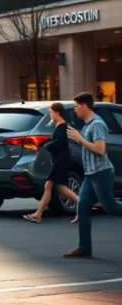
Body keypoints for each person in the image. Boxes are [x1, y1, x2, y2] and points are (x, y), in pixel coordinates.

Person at [64, 92, 122, 258]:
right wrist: (78, 137)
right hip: (90, 174)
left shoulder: (96, 124)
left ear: (84, 106)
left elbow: (100, 149)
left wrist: (80, 139)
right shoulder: (88, 125)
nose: (75, 110)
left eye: (76, 107)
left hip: (101, 173)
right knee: (82, 208)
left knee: (111, 207)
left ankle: (84, 247)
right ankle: (84, 248)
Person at [23, 102, 77, 223]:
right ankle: (38, 214)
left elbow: (60, 142)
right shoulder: (59, 126)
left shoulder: (63, 126)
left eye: (51, 112)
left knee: (54, 186)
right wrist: (47, 143)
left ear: (57, 112)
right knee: (56, 187)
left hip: (61, 161)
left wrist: (46, 146)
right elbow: (57, 140)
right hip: (59, 160)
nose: (50, 114)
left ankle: (82, 205)